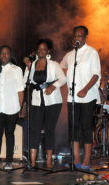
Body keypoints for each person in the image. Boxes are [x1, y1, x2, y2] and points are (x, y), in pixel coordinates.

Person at [60, 25, 101, 170]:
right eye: (75, 36)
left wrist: (85, 89)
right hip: (72, 98)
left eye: (80, 36)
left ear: (85, 37)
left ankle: (87, 160)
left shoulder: (92, 53)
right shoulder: (71, 55)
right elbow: (61, 67)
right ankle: (76, 159)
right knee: (73, 129)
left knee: (86, 128)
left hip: (88, 96)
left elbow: (96, 75)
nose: (77, 38)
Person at [24, 39, 66, 168]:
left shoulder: (54, 64)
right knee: (34, 130)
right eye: (39, 49)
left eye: (44, 49)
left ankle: (48, 161)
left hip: (53, 101)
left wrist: (53, 86)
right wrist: (28, 67)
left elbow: (63, 78)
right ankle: (32, 161)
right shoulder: (32, 64)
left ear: (48, 51)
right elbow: (25, 80)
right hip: (36, 100)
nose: (41, 51)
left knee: (49, 130)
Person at [0, 45, 24, 170]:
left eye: (7, 53)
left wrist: (21, 107)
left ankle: (9, 160)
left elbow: (20, 91)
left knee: (9, 134)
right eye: (2, 53)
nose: (4, 55)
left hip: (12, 107)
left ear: (10, 55)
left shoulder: (16, 69)